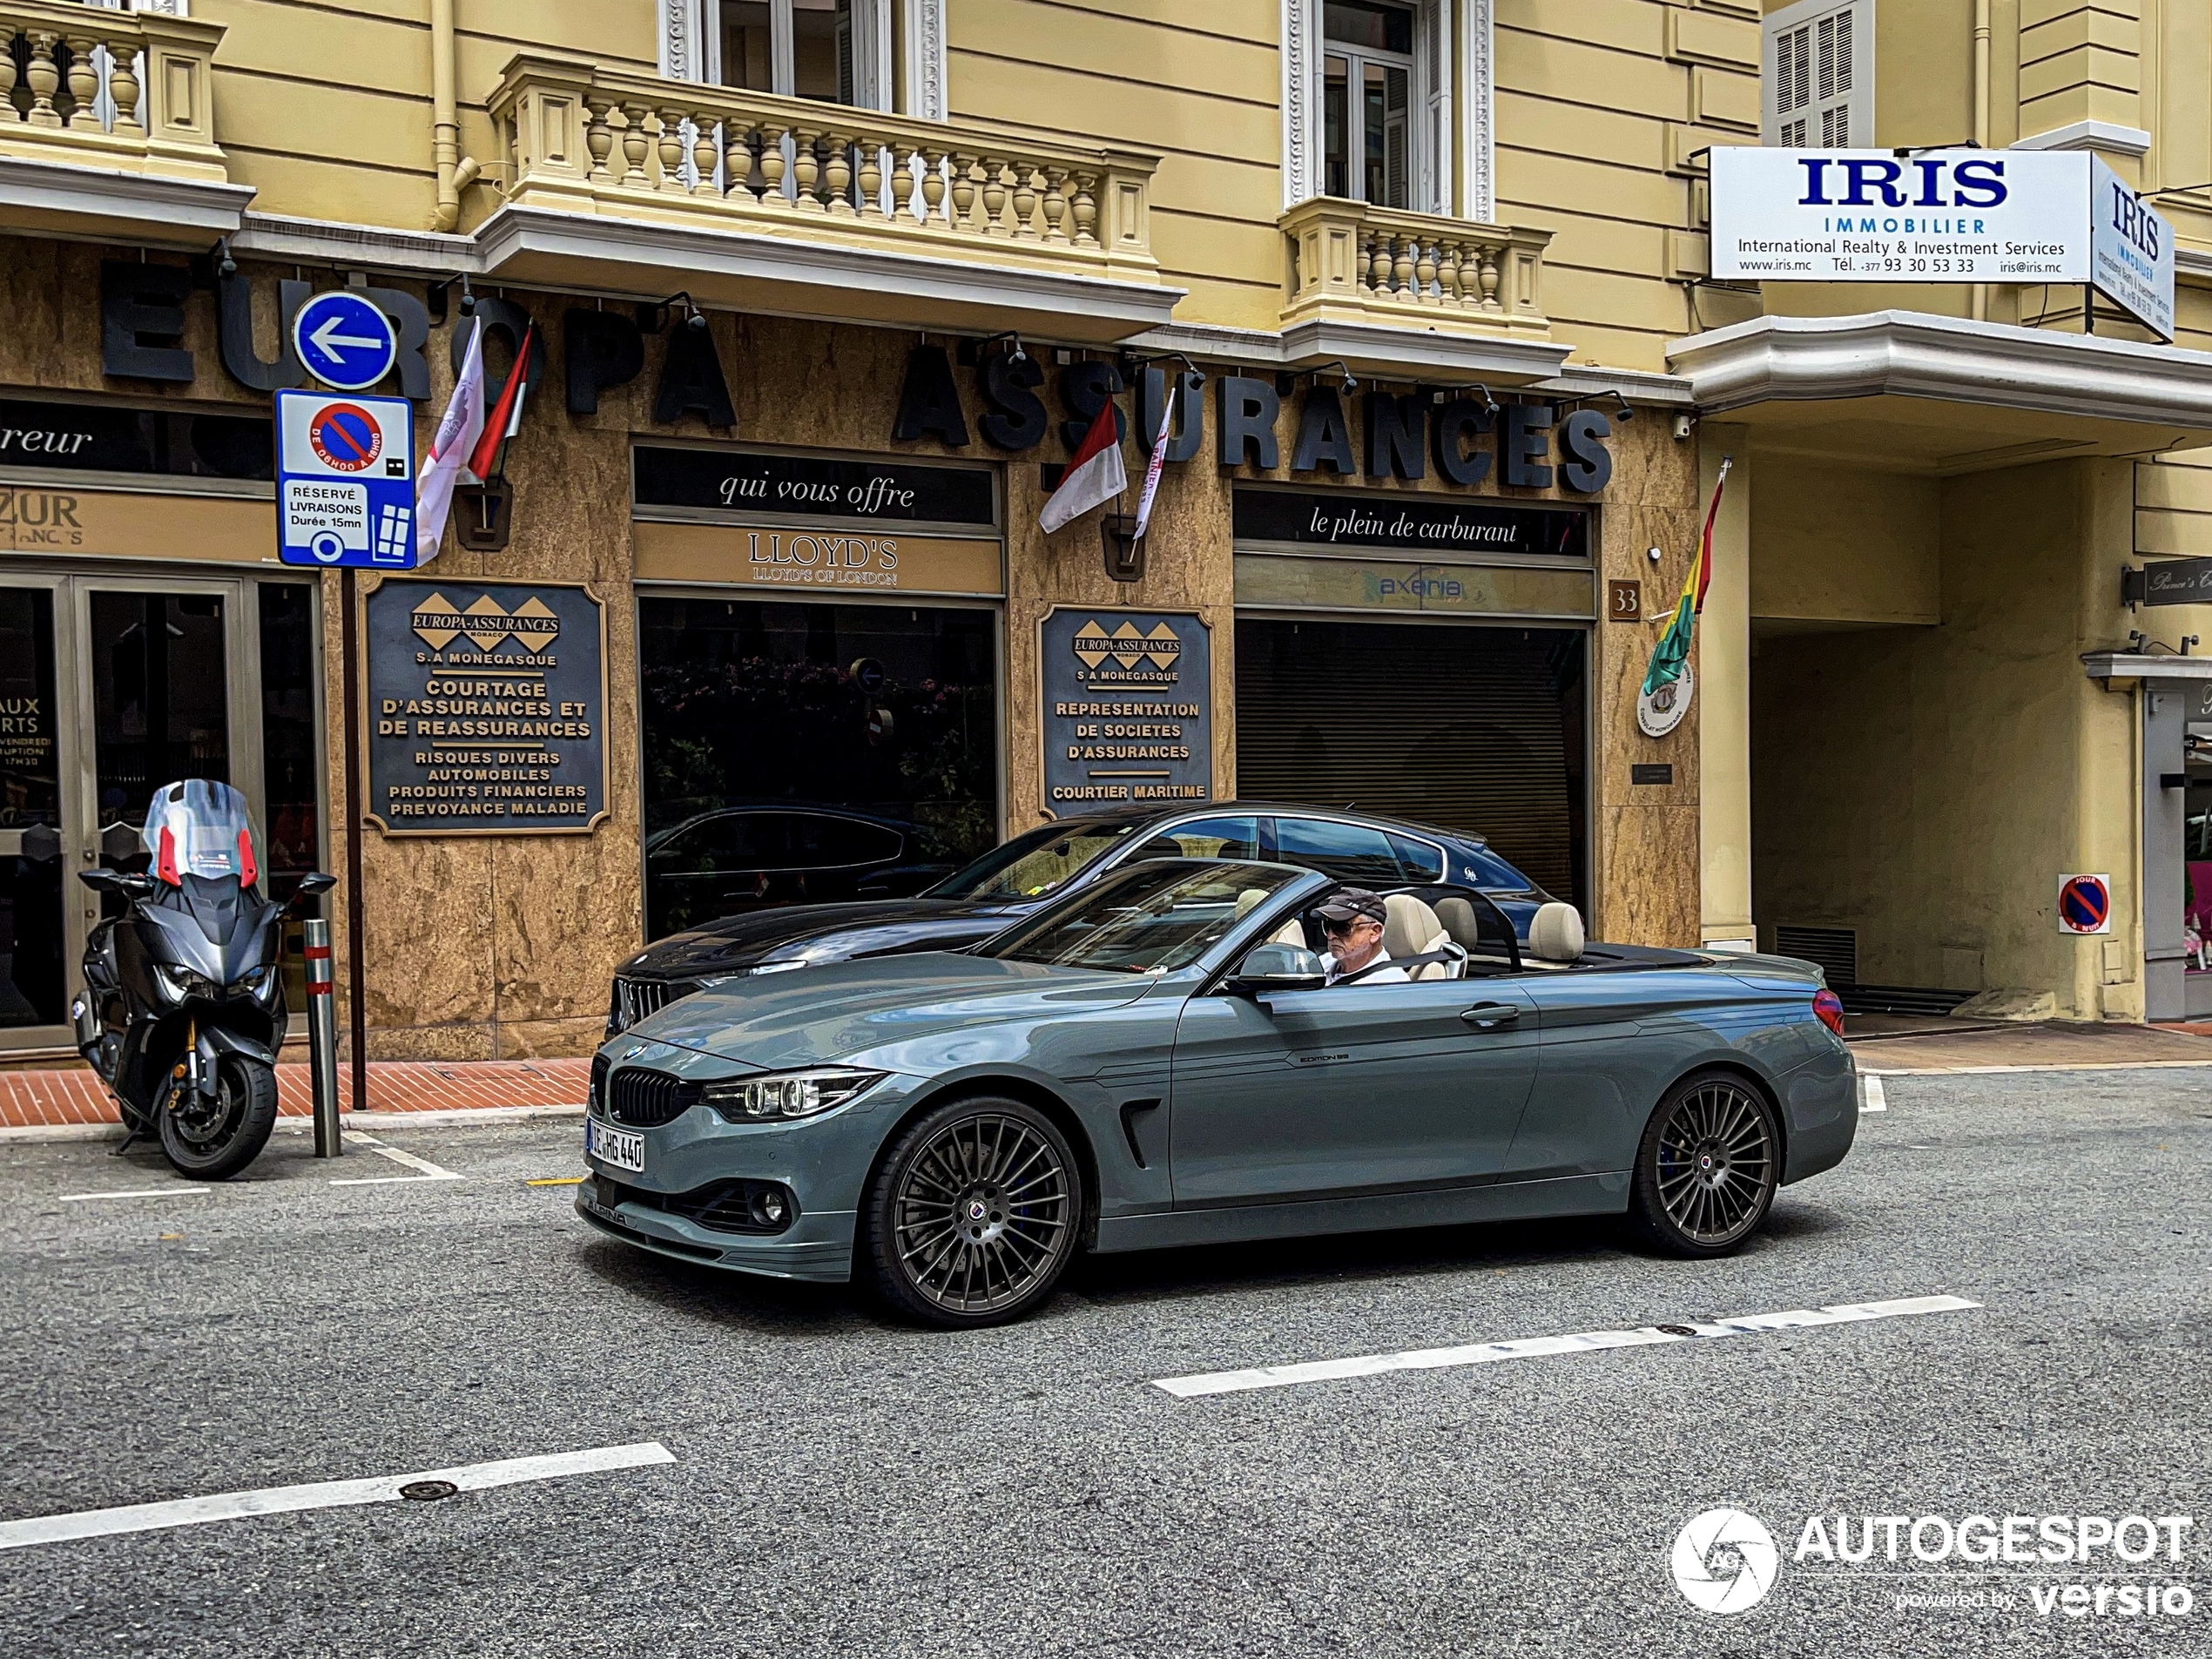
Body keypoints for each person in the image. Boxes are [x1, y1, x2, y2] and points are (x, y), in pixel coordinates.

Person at [1315, 888, 1406, 986]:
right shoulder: (1325, 961)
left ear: (1374, 932)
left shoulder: (1391, 984)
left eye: (1341, 928)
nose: (1330, 936)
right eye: (1327, 926)